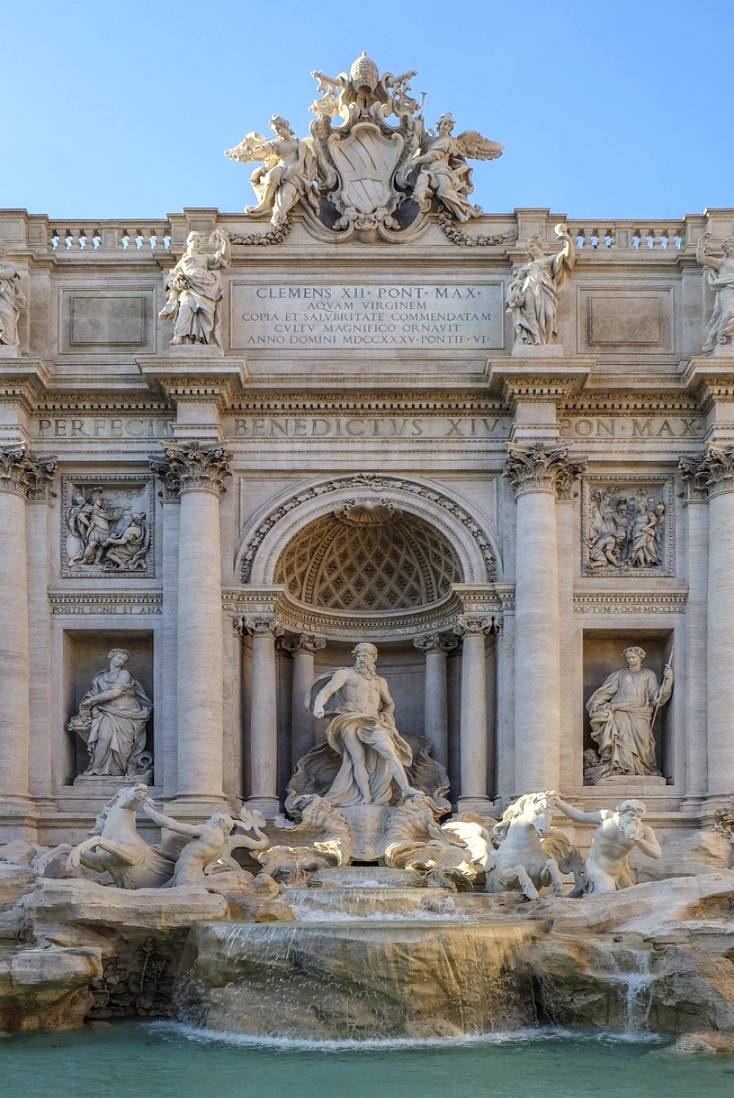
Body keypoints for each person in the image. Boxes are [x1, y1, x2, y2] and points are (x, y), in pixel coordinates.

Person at [311, 642, 420, 806]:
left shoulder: (380, 681)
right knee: (357, 759)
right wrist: (319, 705)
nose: (362, 659)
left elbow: (389, 703)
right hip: (349, 719)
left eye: (366, 656)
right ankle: (365, 796)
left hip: (372, 722)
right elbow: (326, 691)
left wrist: (386, 715)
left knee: (390, 752)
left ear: (374, 658)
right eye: (359, 656)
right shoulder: (345, 674)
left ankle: (405, 788)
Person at [587, 646, 673, 777]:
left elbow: (656, 697)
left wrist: (668, 681)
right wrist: (598, 703)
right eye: (628, 658)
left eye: (633, 657)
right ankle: (624, 769)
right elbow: (607, 691)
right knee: (622, 741)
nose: (630, 660)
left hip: (640, 713)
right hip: (620, 711)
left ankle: (642, 768)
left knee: (643, 743)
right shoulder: (620, 674)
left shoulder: (648, 675)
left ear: (640, 657)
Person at [553, 796, 662, 894]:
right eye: (631, 815)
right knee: (606, 893)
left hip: (620, 870)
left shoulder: (643, 830)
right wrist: (558, 802)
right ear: (621, 813)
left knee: (629, 898)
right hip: (596, 865)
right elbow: (579, 816)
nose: (635, 819)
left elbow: (656, 853)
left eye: (638, 817)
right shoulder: (605, 817)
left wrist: (639, 840)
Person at [75, 649, 152, 777]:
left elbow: (115, 693)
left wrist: (92, 700)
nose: (120, 661)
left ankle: (117, 770)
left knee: (124, 744)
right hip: (106, 711)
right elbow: (93, 693)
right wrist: (87, 702)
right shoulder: (99, 678)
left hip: (125, 712)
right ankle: (96, 769)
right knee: (104, 737)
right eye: (118, 658)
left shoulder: (124, 674)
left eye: (123, 660)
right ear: (111, 656)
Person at [507, 224, 576, 345]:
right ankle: (536, 339)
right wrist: (515, 292)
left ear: (539, 246)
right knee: (531, 316)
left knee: (549, 315)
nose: (530, 249)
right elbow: (517, 282)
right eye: (529, 247)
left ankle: (547, 342)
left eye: (532, 246)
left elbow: (567, 257)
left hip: (545, 290)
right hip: (528, 289)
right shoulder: (527, 267)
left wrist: (568, 240)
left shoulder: (549, 259)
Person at [159, 229, 230, 346]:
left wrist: (224, 241)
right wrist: (175, 283)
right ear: (189, 241)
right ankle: (179, 336)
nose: (198, 244)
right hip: (188, 289)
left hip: (205, 287)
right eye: (196, 241)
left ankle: (200, 339)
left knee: (204, 313)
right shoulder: (182, 262)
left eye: (199, 242)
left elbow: (220, 260)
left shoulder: (205, 258)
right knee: (184, 310)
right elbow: (171, 276)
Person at [697, 234, 734, 352]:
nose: (732, 247)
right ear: (726, 249)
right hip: (727, 289)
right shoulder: (722, 263)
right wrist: (701, 244)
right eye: (730, 245)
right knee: (729, 312)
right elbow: (701, 259)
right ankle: (722, 337)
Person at [0, 248, 26, 347]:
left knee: (4, 313)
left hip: (6, 296)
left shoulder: (11, 265)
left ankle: (6, 341)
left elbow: (8, 273)